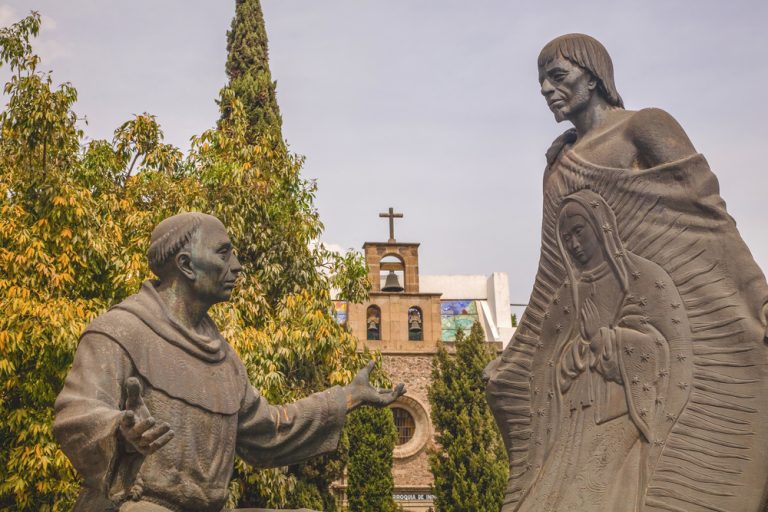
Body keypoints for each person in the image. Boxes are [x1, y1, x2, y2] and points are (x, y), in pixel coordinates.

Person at [485, 34, 768, 512]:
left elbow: (706, 216)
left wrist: (756, 293)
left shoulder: (645, 127)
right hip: (584, 381)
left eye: (558, 77)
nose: (548, 91)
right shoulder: (557, 166)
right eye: (541, 84)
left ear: (593, 76)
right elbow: (554, 275)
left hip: (639, 354)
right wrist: (518, 356)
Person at [54, 212, 405, 512]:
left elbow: (269, 430)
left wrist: (348, 397)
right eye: (223, 254)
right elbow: (76, 413)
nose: (235, 266)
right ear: (186, 265)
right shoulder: (120, 331)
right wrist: (119, 430)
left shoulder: (224, 360)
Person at [516, 190, 690, 512]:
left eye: (579, 232)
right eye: (566, 238)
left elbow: (668, 352)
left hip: (622, 415)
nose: (574, 245)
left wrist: (614, 341)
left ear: (600, 226)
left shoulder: (646, 279)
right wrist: (572, 359)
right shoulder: (569, 293)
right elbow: (548, 363)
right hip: (576, 417)